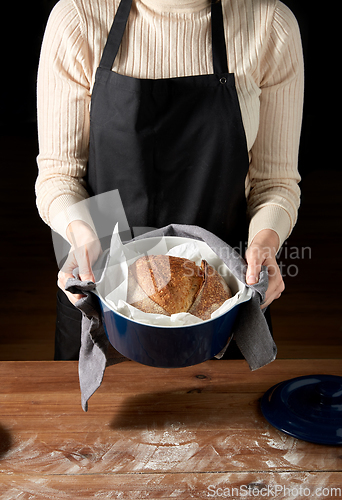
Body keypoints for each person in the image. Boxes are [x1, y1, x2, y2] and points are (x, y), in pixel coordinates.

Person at [36, 0, 304, 360]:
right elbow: (59, 176)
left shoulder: (270, 25)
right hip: (105, 300)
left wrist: (265, 241)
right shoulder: (79, 19)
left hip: (223, 302)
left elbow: (275, 182)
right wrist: (81, 234)